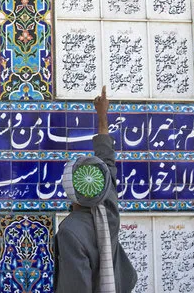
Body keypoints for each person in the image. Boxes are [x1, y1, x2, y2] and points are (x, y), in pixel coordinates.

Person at [54, 86, 137, 293]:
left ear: (69, 189)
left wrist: (101, 116)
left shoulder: (70, 231)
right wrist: (103, 117)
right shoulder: (109, 210)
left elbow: (77, 287)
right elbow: (107, 160)